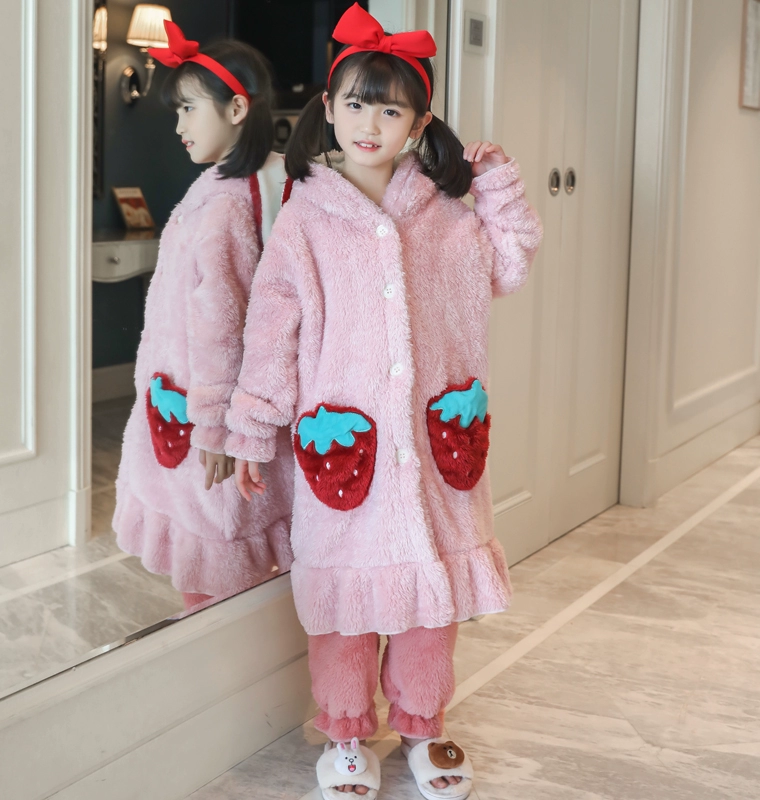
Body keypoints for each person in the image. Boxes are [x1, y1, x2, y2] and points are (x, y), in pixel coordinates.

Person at [227, 5, 542, 798]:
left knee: (430, 599)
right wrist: (252, 432)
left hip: (434, 448)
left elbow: (510, 264)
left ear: (419, 124)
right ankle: (344, 731)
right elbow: (271, 333)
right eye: (357, 104)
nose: (371, 124)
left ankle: (424, 725)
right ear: (328, 110)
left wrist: (496, 183)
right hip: (345, 444)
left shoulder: (446, 215)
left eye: (391, 110)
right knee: (344, 599)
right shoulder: (304, 222)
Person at [113, 21, 293, 612]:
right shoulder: (236, 186)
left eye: (189, 109)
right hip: (186, 398)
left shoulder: (226, 205)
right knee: (208, 536)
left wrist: (214, 428)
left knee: (214, 546)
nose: (179, 125)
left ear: (236, 109)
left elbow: (223, 327)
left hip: (205, 409)